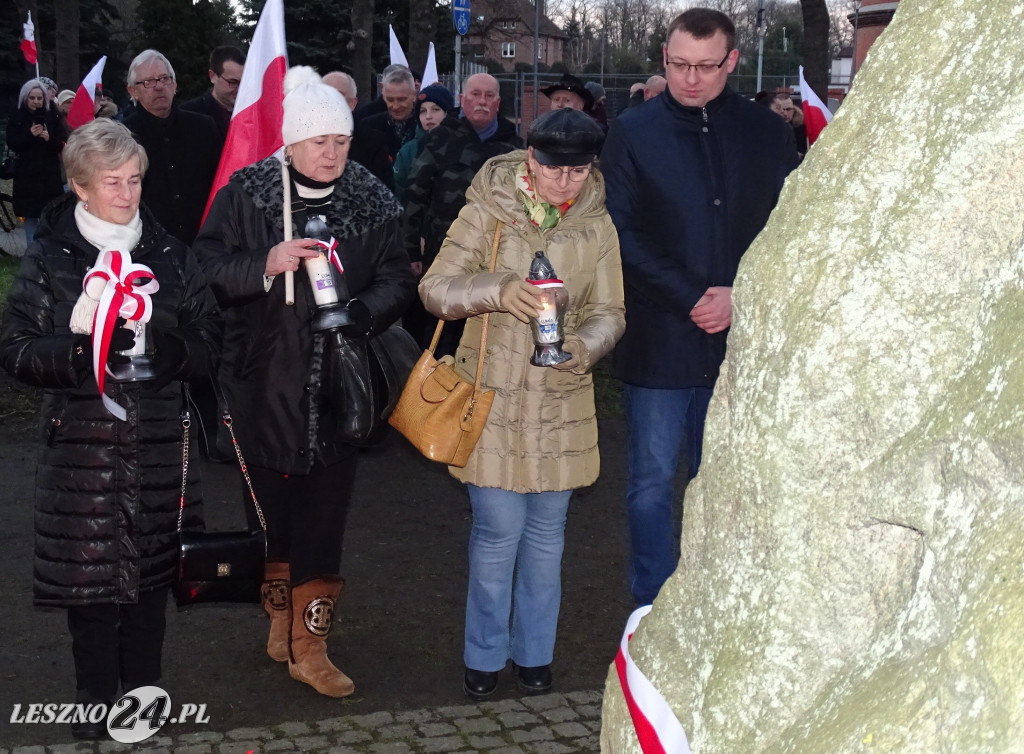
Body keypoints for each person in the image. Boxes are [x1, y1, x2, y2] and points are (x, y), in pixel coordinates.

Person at [193, 66, 416, 698]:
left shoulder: (371, 197)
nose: (332, 153)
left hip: (338, 387)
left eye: (341, 141)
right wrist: (263, 263)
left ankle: (311, 646)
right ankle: (280, 619)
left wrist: (362, 312)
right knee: (270, 515)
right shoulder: (250, 193)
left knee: (325, 517)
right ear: (290, 142)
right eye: (319, 141)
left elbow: (399, 278)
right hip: (261, 382)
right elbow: (204, 268)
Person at [0, 118, 220, 740]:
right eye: (112, 182)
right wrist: (79, 355)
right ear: (79, 187)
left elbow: (210, 340)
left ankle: (144, 701)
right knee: (90, 593)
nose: (127, 193)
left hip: (156, 446)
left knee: (151, 587)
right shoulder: (51, 257)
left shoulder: (172, 255)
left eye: (134, 180)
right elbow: (15, 349)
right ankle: (94, 698)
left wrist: (176, 354)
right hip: (81, 449)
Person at [420, 107, 625, 701]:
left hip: (561, 398)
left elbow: (611, 312)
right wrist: (496, 290)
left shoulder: (598, 225)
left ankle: (535, 654)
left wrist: (583, 349)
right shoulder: (488, 210)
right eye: (553, 169)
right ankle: (483, 655)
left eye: (579, 171)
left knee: (548, 537)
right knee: (497, 532)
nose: (566, 182)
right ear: (529, 159)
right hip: (492, 394)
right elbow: (434, 289)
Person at [601, 7, 798, 607]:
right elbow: (621, 231)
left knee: (726, 484)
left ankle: (717, 605)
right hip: (661, 338)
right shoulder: (633, 131)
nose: (690, 78)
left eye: (706, 67)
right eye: (679, 65)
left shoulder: (767, 133)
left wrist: (742, 294)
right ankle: (651, 608)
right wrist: (692, 295)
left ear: (732, 62)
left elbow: (789, 228)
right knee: (652, 485)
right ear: (664, 59)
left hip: (741, 339)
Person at [402, 72, 522, 349]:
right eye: (475, 95)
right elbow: (414, 196)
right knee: (437, 331)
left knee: (482, 334)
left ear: (498, 102)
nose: (482, 101)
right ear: (462, 99)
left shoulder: (513, 148)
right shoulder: (440, 139)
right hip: (443, 253)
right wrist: (411, 251)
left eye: (489, 96)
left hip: (494, 257)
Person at [123, 49, 221, 245]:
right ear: (133, 91)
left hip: (204, 243)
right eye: (148, 82)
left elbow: (221, 183)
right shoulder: (122, 136)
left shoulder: (204, 127)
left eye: (164, 79)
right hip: (146, 246)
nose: (159, 86)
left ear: (175, 85)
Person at [6, 79, 65, 244]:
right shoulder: (17, 116)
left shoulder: (51, 115)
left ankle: (48, 252)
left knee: (49, 217)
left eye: (39, 98)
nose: (36, 102)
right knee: (31, 218)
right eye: (32, 98)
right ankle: (32, 255)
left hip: (49, 176)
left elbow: (60, 143)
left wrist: (48, 138)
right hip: (27, 176)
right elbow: (14, 143)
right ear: (25, 98)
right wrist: (29, 135)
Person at [323, 70, 392, 187]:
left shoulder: (373, 143)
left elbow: (383, 191)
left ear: (352, 103)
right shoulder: (303, 142)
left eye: (338, 95)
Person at [355, 66, 419, 182]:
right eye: (390, 99)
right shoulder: (368, 125)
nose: (395, 106)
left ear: (414, 95)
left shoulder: (425, 126)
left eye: (401, 100)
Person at [392, 83, 454, 201]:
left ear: (448, 113)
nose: (428, 116)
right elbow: (398, 192)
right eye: (423, 111)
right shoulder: (408, 151)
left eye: (435, 109)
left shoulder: (461, 146)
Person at [181, 45, 246, 142]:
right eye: (233, 82)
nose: (240, 89)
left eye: (244, 82)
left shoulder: (253, 111)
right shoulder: (187, 114)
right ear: (213, 76)